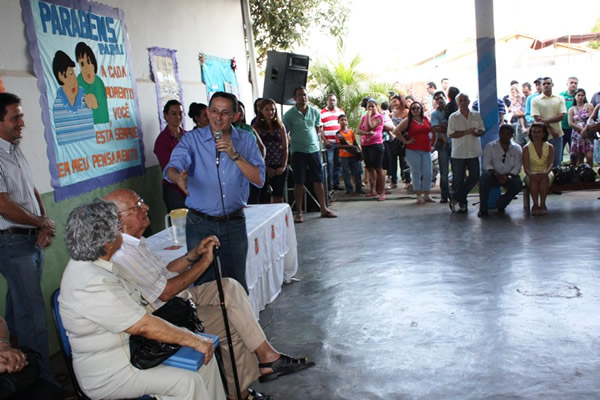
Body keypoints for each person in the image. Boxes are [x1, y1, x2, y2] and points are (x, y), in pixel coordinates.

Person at [106, 189, 315, 400]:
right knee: (230, 322)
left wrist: (194, 254)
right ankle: (240, 393)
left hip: (178, 300)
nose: (146, 207)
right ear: (120, 219)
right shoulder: (124, 253)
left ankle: (266, 355)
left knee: (229, 287)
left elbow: (165, 271)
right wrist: (205, 262)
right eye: (138, 205)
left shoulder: (136, 243)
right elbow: (166, 292)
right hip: (167, 314)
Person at [59, 200, 225, 400]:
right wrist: (194, 339)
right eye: (118, 229)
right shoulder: (90, 281)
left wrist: (195, 340)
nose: (122, 232)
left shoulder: (98, 265)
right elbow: (143, 325)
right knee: (187, 382)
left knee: (204, 362)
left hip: (134, 351)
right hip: (112, 373)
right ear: (106, 243)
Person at [166, 91, 265, 292]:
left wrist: (234, 155)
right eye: (214, 111)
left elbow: (259, 179)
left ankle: (239, 323)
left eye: (225, 113)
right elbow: (172, 168)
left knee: (236, 284)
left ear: (235, 116)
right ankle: (210, 324)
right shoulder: (191, 140)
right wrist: (178, 178)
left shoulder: (245, 140)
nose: (218, 117)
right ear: (207, 112)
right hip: (200, 223)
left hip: (233, 222)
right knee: (203, 286)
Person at [0, 93, 57, 387]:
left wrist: (44, 222)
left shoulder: (14, 149)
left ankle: (21, 378)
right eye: (15, 117)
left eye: (21, 116)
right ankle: (46, 383)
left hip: (29, 239)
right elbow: (3, 205)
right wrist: (39, 222)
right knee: (32, 318)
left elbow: (32, 189)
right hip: (10, 242)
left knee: (16, 313)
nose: (22, 123)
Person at [282, 87, 337, 223]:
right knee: (299, 182)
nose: (303, 97)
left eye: (305, 95)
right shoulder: (289, 115)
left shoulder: (315, 112)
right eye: (300, 95)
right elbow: (284, 131)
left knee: (318, 180)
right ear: (295, 98)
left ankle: (323, 208)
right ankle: (299, 212)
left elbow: (317, 129)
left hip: (313, 150)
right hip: (298, 151)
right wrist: (287, 141)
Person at [447, 92, 485, 213]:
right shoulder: (453, 117)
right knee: (458, 179)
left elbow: (481, 130)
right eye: (461, 100)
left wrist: (476, 133)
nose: (463, 102)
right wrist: (467, 132)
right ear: (457, 103)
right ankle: (462, 203)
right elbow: (451, 134)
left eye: (465, 100)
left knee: (474, 177)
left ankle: (455, 197)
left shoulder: (476, 115)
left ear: (469, 101)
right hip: (458, 152)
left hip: (473, 151)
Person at [477, 124, 523, 217]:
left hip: (510, 176)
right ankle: (483, 209)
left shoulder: (517, 148)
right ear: (499, 133)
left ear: (512, 135)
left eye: (508, 134)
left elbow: (517, 166)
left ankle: (502, 203)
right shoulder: (490, 146)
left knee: (518, 184)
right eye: (502, 133)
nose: (504, 136)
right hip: (493, 175)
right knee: (484, 178)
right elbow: (486, 164)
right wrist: (497, 175)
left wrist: (509, 176)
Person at [393, 101, 434, 204]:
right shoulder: (408, 121)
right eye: (413, 108)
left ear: (421, 109)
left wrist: (433, 143)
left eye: (418, 108)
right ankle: (418, 195)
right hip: (412, 150)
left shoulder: (426, 119)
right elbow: (396, 131)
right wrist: (405, 141)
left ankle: (427, 194)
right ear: (411, 110)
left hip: (426, 149)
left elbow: (433, 131)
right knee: (416, 172)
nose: (416, 110)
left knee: (428, 173)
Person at [51, 50, 95, 145]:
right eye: (68, 74)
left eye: (72, 73)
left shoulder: (85, 98)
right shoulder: (57, 106)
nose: (73, 80)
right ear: (60, 77)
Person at [253, 98, 289, 203]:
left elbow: (285, 148)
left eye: (272, 110)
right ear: (261, 111)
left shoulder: (280, 126)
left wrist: (283, 166)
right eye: (267, 109)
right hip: (264, 166)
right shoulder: (256, 127)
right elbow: (256, 150)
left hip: (279, 164)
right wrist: (266, 167)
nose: (270, 112)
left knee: (278, 196)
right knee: (265, 197)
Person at [154, 99, 187, 212]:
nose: (177, 117)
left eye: (180, 113)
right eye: (173, 113)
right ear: (165, 116)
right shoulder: (162, 141)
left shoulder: (187, 136)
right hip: (174, 190)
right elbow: (168, 167)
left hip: (192, 187)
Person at [531, 77, 567, 168]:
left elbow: (562, 116)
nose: (546, 85)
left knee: (556, 162)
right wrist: (550, 130)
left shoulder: (560, 98)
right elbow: (537, 118)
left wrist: (547, 120)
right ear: (541, 86)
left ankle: (557, 181)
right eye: (544, 84)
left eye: (548, 83)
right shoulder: (535, 100)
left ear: (552, 84)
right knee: (543, 162)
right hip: (541, 136)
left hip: (557, 136)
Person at [357, 99, 386, 201]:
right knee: (369, 168)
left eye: (372, 106)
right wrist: (366, 133)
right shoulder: (364, 117)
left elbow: (370, 127)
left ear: (376, 107)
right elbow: (358, 130)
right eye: (369, 107)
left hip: (376, 145)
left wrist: (369, 116)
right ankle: (373, 190)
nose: (370, 108)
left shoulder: (379, 117)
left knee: (378, 168)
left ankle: (382, 192)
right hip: (365, 145)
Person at [523, 123, 554, 216]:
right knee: (534, 180)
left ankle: (543, 204)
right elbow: (526, 167)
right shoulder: (526, 148)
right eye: (534, 132)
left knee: (544, 179)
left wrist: (546, 173)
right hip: (530, 172)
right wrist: (532, 175)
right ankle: (535, 205)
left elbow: (550, 164)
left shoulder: (550, 147)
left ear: (544, 134)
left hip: (546, 171)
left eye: (539, 132)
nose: (536, 134)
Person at [75, 41, 109, 124]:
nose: (86, 68)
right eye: (82, 64)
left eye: (88, 62)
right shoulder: (78, 80)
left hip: (100, 125)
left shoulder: (98, 82)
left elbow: (98, 105)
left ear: (93, 63)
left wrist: (93, 102)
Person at [430, 91, 451, 203]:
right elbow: (435, 128)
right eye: (437, 99)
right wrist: (449, 129)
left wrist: (445, 128)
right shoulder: (434, 114)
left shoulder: (451, 110)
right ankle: (444, 196)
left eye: (441, 97)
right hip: (442, 145)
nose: (439, 100)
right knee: (444, 172)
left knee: (458, 172)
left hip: (455, 144)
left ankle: (456, 195)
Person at [320, 94, 344, 190]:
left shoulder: (340, 112)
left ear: (336, 101)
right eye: (330, 100)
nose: (332, 102)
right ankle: (329, 185)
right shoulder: (322, 113)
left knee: (338, 163)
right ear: (327, 101)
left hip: (339, 142)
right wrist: (325, 140)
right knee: (329, 163)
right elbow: (320, 129)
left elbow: (343, 125)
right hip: (328, 143)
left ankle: (336, 183)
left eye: (334, 100)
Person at [335, 114, 362, 194]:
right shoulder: (338, 134)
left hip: (353, 155)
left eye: (345, 120)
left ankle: (358, 189)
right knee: (345, 172)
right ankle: (349, 190)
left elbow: (355, 142)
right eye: (342, 120)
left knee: (357, 171)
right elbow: (339, 145)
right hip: (344, 156)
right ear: (339, 122)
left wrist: (359, 152)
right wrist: (349, 146)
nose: (344, 121)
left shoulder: (351, 131)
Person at [568, 88, 595, 166]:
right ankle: (581, 174)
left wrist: (585, 130)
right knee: (579, 158)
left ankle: (590, 174)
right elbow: (570, 123)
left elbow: (591, 119)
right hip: (577, 135)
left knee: (589, 156)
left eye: (582, 95)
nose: (580, 97)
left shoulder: (589, 106)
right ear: (575, 97)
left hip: (588, 134)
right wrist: (581, 129)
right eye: (578, 95)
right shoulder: (572, 109)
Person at [559, 76, 578, 163]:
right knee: (559, 152)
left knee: (574, 152)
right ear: (567, 84)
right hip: (561, 128)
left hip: (574, 129)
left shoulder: (580, 95)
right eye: (571, 82)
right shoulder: (561, 96)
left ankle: (574, 169)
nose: (573, 84)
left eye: (575, 83)